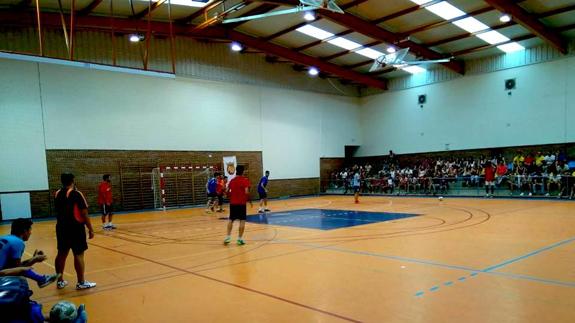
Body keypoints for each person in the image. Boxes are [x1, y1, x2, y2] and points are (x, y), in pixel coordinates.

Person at [54, 173, 96, 290]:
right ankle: (81, 282)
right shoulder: (77, 194)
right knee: (78, 254)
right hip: (75, 228)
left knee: (61, 253)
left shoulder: (57, 193)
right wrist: (91, 229)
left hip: (61, 227)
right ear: (73, 180)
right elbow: (84, 213)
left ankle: (60, 281)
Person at [0, 218, 59, 288]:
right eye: (30, 230)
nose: (31, 233)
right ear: (25, 231)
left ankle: (41, 279)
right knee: (22, 273)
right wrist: (34, 260)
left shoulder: (5, 238)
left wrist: (33, 259)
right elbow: (18, 268)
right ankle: (41, 279)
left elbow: (12, 266)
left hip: (2, 269)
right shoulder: (18, 242)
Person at [224, 165, 251, 246]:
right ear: (243, 171)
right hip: (241, 204)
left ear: (236, 171)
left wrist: (230, 195)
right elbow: (246, 192)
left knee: (231, 219)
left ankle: (228, 237)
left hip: (233, 203)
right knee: (242, 220)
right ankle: (239, 239)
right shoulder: (245, 180)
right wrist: (248, 198)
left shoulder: (232, 181)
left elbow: (226, 191)